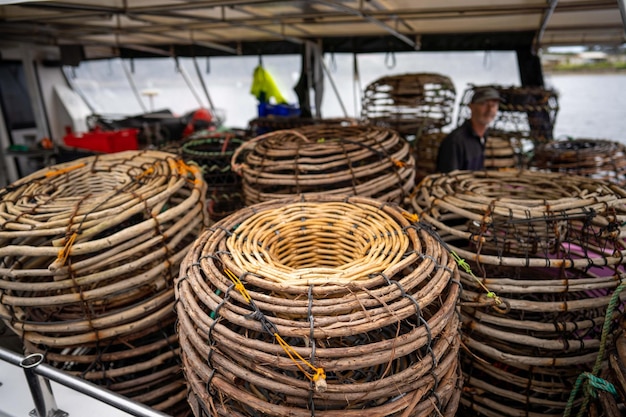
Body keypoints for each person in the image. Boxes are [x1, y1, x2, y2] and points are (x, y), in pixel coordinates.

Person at [436, 86, 502, 173]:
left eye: (494, 105)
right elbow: (448, 179)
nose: (490, 109)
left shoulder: (483, 137)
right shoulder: (455, 141)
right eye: (484, 104)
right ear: (471, 106)